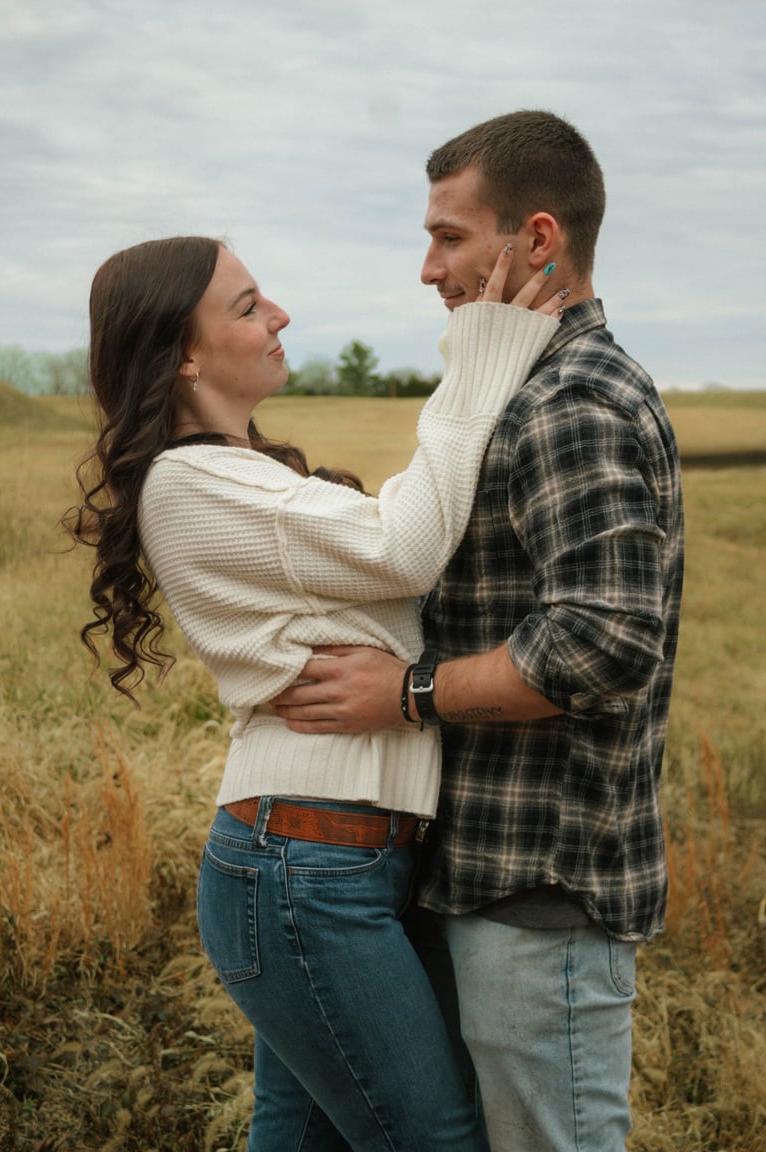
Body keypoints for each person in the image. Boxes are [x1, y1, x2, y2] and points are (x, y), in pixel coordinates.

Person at [70, 233, 564, 1151]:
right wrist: (480, 352)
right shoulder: (190, 482)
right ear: (182, 352)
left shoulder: (241, 472)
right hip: (304, 868)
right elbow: (403, 546)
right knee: (437, 1138)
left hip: (335, 861)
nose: (280, 315)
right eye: (248, 305)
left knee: (305, 1141)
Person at [273, 110, 685, 1152]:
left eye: (451, 238)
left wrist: (404, 692)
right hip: (488, 883)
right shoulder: (520, 390)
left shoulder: (574, 399)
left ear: (537, 240)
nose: (427, 268)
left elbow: (602, 640)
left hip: (539, 896)